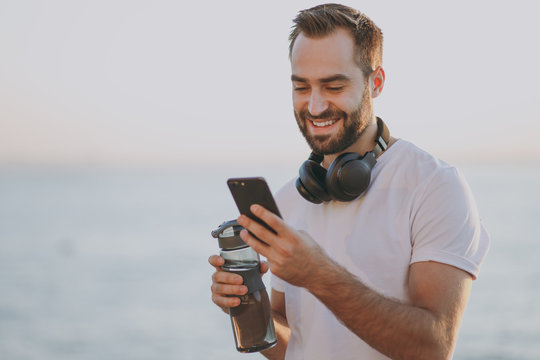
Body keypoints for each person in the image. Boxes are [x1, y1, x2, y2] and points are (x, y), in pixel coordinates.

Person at [209, 4, 490, 359]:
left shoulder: (434, 186)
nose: (314, 106)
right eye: (301, 87)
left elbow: (432, 347)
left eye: (333, 86)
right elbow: (296, 346)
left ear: (376, 82)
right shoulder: (287, 201)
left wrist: (318, 275)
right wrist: (248, 304)